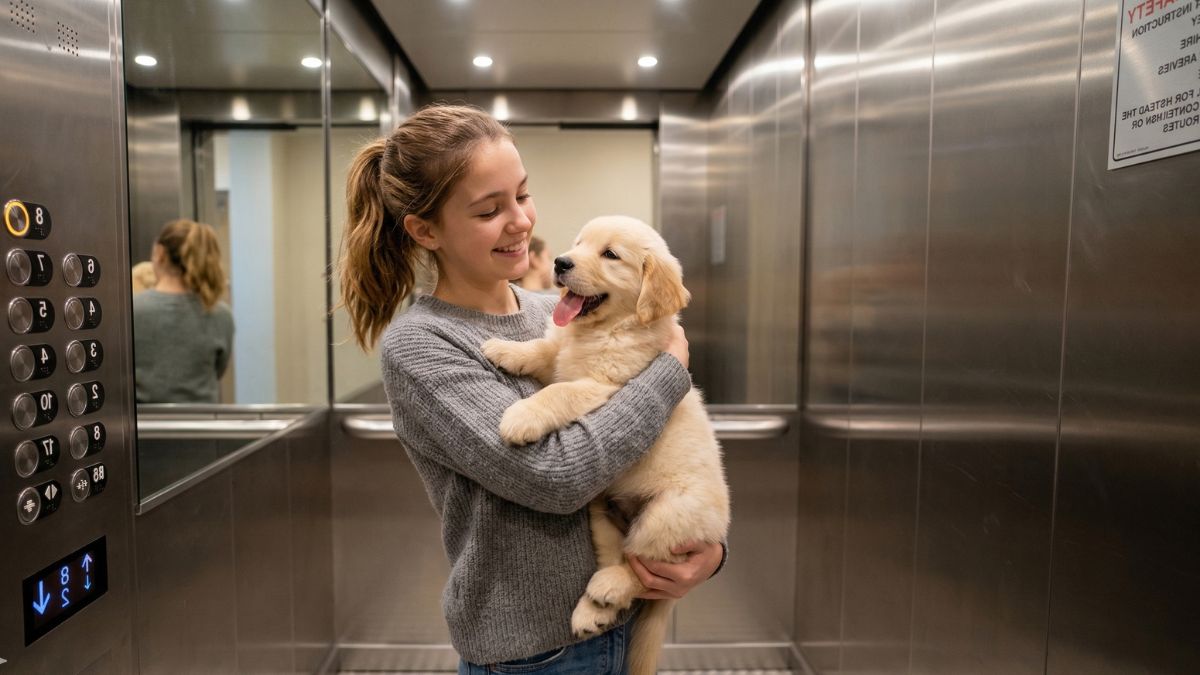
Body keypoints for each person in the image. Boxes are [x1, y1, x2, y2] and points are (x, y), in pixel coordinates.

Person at [338, 104, 725, 674]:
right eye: (490, 209)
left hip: (620, 617)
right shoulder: (422, 347)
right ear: (425, 230)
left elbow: (667, 440)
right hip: (533, 652)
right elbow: (556, 477)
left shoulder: (559, 310)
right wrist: (671, 369)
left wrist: (708, 554)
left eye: (522, 194)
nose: (521, 221)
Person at [132, 219, 234, 403]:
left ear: (160, 253)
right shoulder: (221, 315)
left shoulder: (131, 311)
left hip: (145, 427)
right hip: (203, 427)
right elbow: (217, 371)